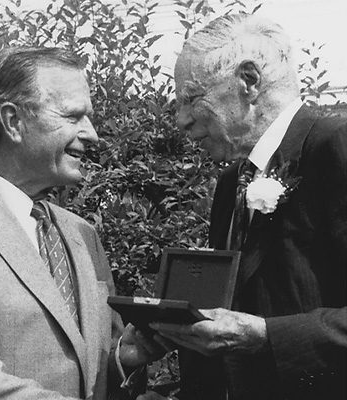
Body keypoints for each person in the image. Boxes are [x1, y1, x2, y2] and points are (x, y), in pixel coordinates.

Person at [138, 13, 347, 400]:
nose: (181, 120)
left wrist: (265, 336)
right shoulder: (233, 182)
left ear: (248, 81)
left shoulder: (337, 145)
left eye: (192, 97)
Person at [0, 46, 165, 400]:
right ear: (13, 122)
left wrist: (123, 360)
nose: (92, 134)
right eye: (73, 116)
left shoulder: (82, 233)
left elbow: (93, 370)